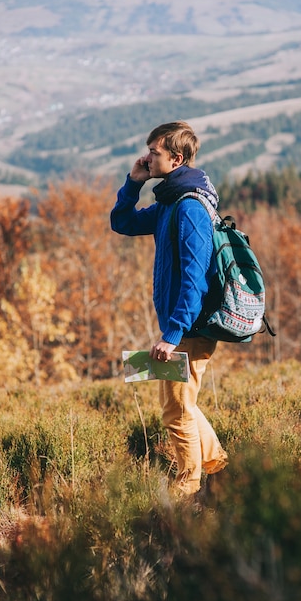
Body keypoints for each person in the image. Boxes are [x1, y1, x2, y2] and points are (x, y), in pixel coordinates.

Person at [110, 121, 228, 498]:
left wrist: (172, 334)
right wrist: (134, 182)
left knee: (175, 412)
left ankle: (187, 490)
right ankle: (220, 472)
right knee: (184, 406)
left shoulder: (190, 208)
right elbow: (122, 222)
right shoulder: (169, 204)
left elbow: (194, 281)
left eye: (154, 153)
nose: (147, 157)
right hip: (183, 328)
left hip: (190, 329)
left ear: (176, 159)